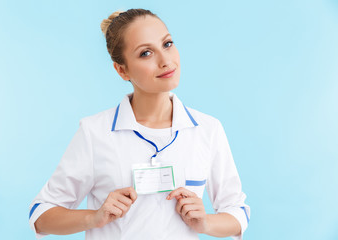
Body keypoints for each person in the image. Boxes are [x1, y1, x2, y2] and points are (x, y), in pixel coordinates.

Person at [28, 8, 250, 240]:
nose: (166, 61)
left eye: (167, 44)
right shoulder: (94, 132)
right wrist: (95, 217)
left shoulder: (208, 130)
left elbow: (237, 212)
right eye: (146, 53)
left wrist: (205, 223)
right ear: (122, 70)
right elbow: (41, 215)